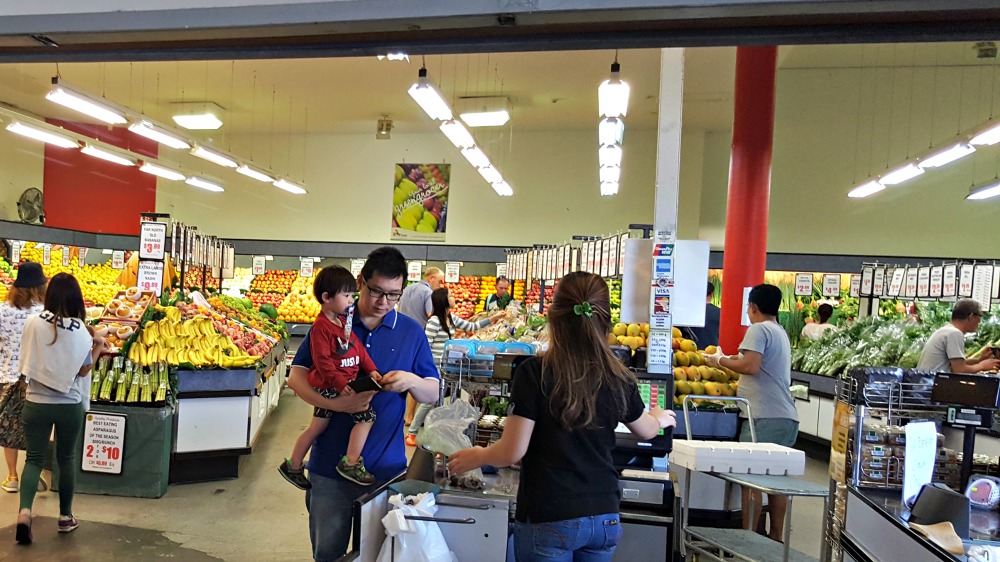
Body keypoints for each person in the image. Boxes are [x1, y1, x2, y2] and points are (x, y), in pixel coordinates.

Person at [448, 271, 676, 562]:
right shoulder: (618, 376)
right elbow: (646, 431)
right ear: (606, 321)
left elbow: (512, 451)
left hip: (550, 515)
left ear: (553, 318)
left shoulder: (534, 373)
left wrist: (477, 455)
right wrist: (660, 417)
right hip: (604, 516)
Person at [285, 246, 440, 562]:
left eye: (394, 295)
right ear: (360, 282)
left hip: (385, 471)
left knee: (380, 555)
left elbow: (432, 392)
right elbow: (296, 378)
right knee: (327, 553)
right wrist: (339, 406)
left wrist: (410, 380)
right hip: (328, 468)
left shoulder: (411, 332)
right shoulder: (330, 323)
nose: (384, 302)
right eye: (377, 292)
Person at [15, 273, 108, 545]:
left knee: (33, 459)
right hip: (68, 405)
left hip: (36, 402)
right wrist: (98, 348)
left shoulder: (33, 322)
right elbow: (81, 371)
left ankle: (24, 513)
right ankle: (65, 517)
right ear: (77, 298)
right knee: (66, 459)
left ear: (49, 295)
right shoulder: (80, 330)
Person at [705, 283, 798, 542]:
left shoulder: (757, 329)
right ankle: (776, 538)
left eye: (748, 306)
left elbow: (751, 366)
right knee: (778, 481)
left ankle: (750, 540)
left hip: (762, 416)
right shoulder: (779, 331)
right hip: (784, 416)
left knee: (751, 480)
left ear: (753, 307)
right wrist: (732, 360)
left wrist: (719, 360)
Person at [279, 266, 382, 489]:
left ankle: (293, 465)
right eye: (346, 296)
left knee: (317, 426)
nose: (351, 301)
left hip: (334, 385)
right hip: (330, 386)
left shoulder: (342, 321)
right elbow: (323, 362)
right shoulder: (320, 328)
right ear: (326, 297)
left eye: (352, 295)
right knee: (367, 416)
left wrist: (371, 369)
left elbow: (358, 350)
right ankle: (351, 463)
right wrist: (340, 383)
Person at [405, 288, 504, 446]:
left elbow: (471, 326)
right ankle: (412, 432)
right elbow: (425, 345)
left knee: (440, 401)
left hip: (446, 367)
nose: (453, 297)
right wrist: (427, 368)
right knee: (430, 400)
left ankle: (435, 432)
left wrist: (494, 318)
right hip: (435, 367)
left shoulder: (450, 318)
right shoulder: (435, 321)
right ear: (443, 300)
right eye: (450, 295)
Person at [0, 263, 47, 494]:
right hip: (37, 378)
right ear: (41, 286)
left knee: (10, 427)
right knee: (35, 429)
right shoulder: (45, 312)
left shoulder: (3, 310)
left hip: (8, 376)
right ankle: (33, 474)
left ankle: (12, 476)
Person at [917, 299, 1000, 374]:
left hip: (925, 383)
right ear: (971, 317)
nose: (980, 322)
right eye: (980, 316)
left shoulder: (947, 330)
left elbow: (956, 364)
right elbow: (960, 370)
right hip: (932, 385)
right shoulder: (954, 334)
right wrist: (981, 366)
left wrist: (979, 360)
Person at [684, 281, 720, 348]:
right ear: (712, 294)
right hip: (712, 351)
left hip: (690, 351)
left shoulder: (687, 311)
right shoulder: (719, 312)